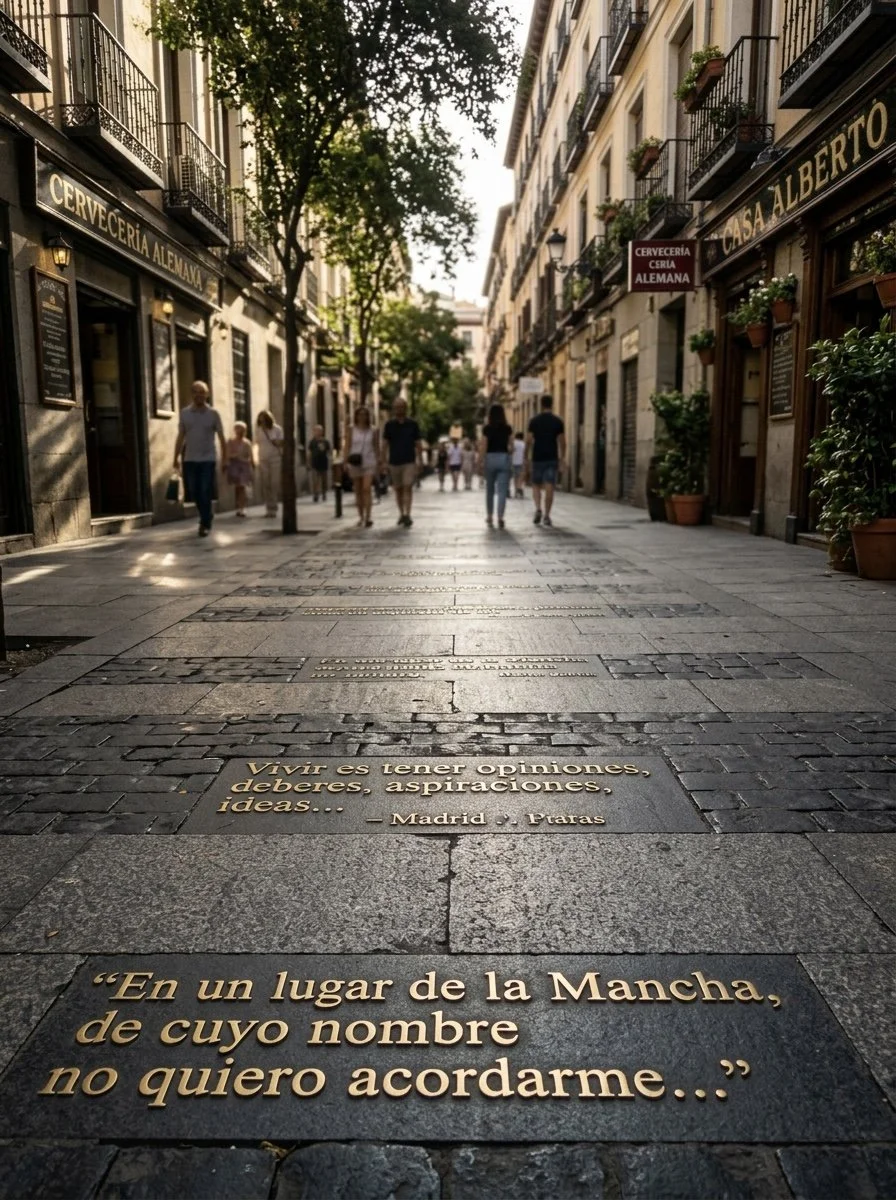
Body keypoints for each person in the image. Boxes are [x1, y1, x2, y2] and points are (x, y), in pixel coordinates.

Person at [173, 381, 227, 537]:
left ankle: (204, 523)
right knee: (194, 491)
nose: (199, 395)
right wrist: (175, 457)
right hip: (190, 458)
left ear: (207, 394)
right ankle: (207, 515)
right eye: (196, 392)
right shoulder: (184, 413)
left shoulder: (214, 414)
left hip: (207, 459)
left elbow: (222, 437)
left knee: (204, 490)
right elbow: (181, 436)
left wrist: (225, 458)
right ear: (192, 394)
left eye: (202, 392)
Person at [381, 398, 422, 527]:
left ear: (405, 408)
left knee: (407, 486)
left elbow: (418, 443)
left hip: (409, 460)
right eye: (397, 407)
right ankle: (401, 513)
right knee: (398, 489)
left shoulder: (412, 424)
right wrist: (383, 461)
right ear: (394, 409)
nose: (399, 409)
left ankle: (407, 514)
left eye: (402, 407)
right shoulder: (389, 425)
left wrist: (419, 460)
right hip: (394, 461)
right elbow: (385, 444)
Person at [527, 393, 566, 527]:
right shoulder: (558, 421)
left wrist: (526, 456)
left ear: (541, 405)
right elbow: (562, 442)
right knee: (550, 485)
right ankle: (547, 516)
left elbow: (529, 440)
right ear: (552, 404)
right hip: (552, 457)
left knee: (536, 484)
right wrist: (562, 459)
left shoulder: (534, 421)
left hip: (537, 457)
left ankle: (538, 508)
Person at [478, 402, 513, 529]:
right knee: (502, 490)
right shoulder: (508, 428)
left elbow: (483, 446)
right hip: (503, 458)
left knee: (490, 490)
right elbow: (511, 447)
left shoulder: (487, 428)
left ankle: (489, 516)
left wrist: (480, 462)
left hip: (490, 459)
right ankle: (500, 517)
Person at [344, 404, 379, 528]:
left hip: (369, 461)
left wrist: (379, 463)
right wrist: (345, 461)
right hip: (355, 462)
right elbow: (347, 445)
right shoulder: (351, 429)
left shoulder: (373, 430)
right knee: (358, 491)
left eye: (365, 414)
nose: (362, 417)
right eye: (360, 414)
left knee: (366, 489)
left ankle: (368, 517)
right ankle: (361, 516)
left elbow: (376, 447)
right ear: (356, 416)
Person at [255, 410, 283, 518]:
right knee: (265, 484)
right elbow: (256, 443)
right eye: (260, 419)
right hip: (263, 459)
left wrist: (274, 440)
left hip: (275, 458)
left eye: (264, 419)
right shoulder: (258, 430)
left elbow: (281, 442)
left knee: (274, 483)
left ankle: (274, 507)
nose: (262, 421)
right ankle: (268, 508)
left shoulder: (277, 429)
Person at [225, 421, 254, 517]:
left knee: (242, 487)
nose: (239, 432)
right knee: (237, 488)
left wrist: (251, 465)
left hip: (244, 466)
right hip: (234, 466)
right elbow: (228, 454)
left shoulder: (247, 443)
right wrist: (234, 456)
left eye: (241, 430)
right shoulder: (230, 441)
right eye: (237, 429)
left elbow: (251, 456)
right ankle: (238, 507)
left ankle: (242, 508)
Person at [307, 425, 331, 502]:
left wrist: (331, 461)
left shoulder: (325, 441)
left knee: (324, 480)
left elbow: (329, 452)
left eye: (320, 431)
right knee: (315, 480)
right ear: (314, 432)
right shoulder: (312, 442)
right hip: (315, 463)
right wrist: (308, 462)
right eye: (316, 431)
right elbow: (309, 452)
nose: (318, 432)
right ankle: (316, 494)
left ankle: (324, 493)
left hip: (323, 462)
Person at [512, 431, 526, 498]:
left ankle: (516, 491)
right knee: (520, 477)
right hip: (521, 462)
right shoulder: (523, 444)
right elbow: (524, 453)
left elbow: (511, 451)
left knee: (515, 477)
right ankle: (519, 487)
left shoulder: (513, 443)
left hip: (513, 462)